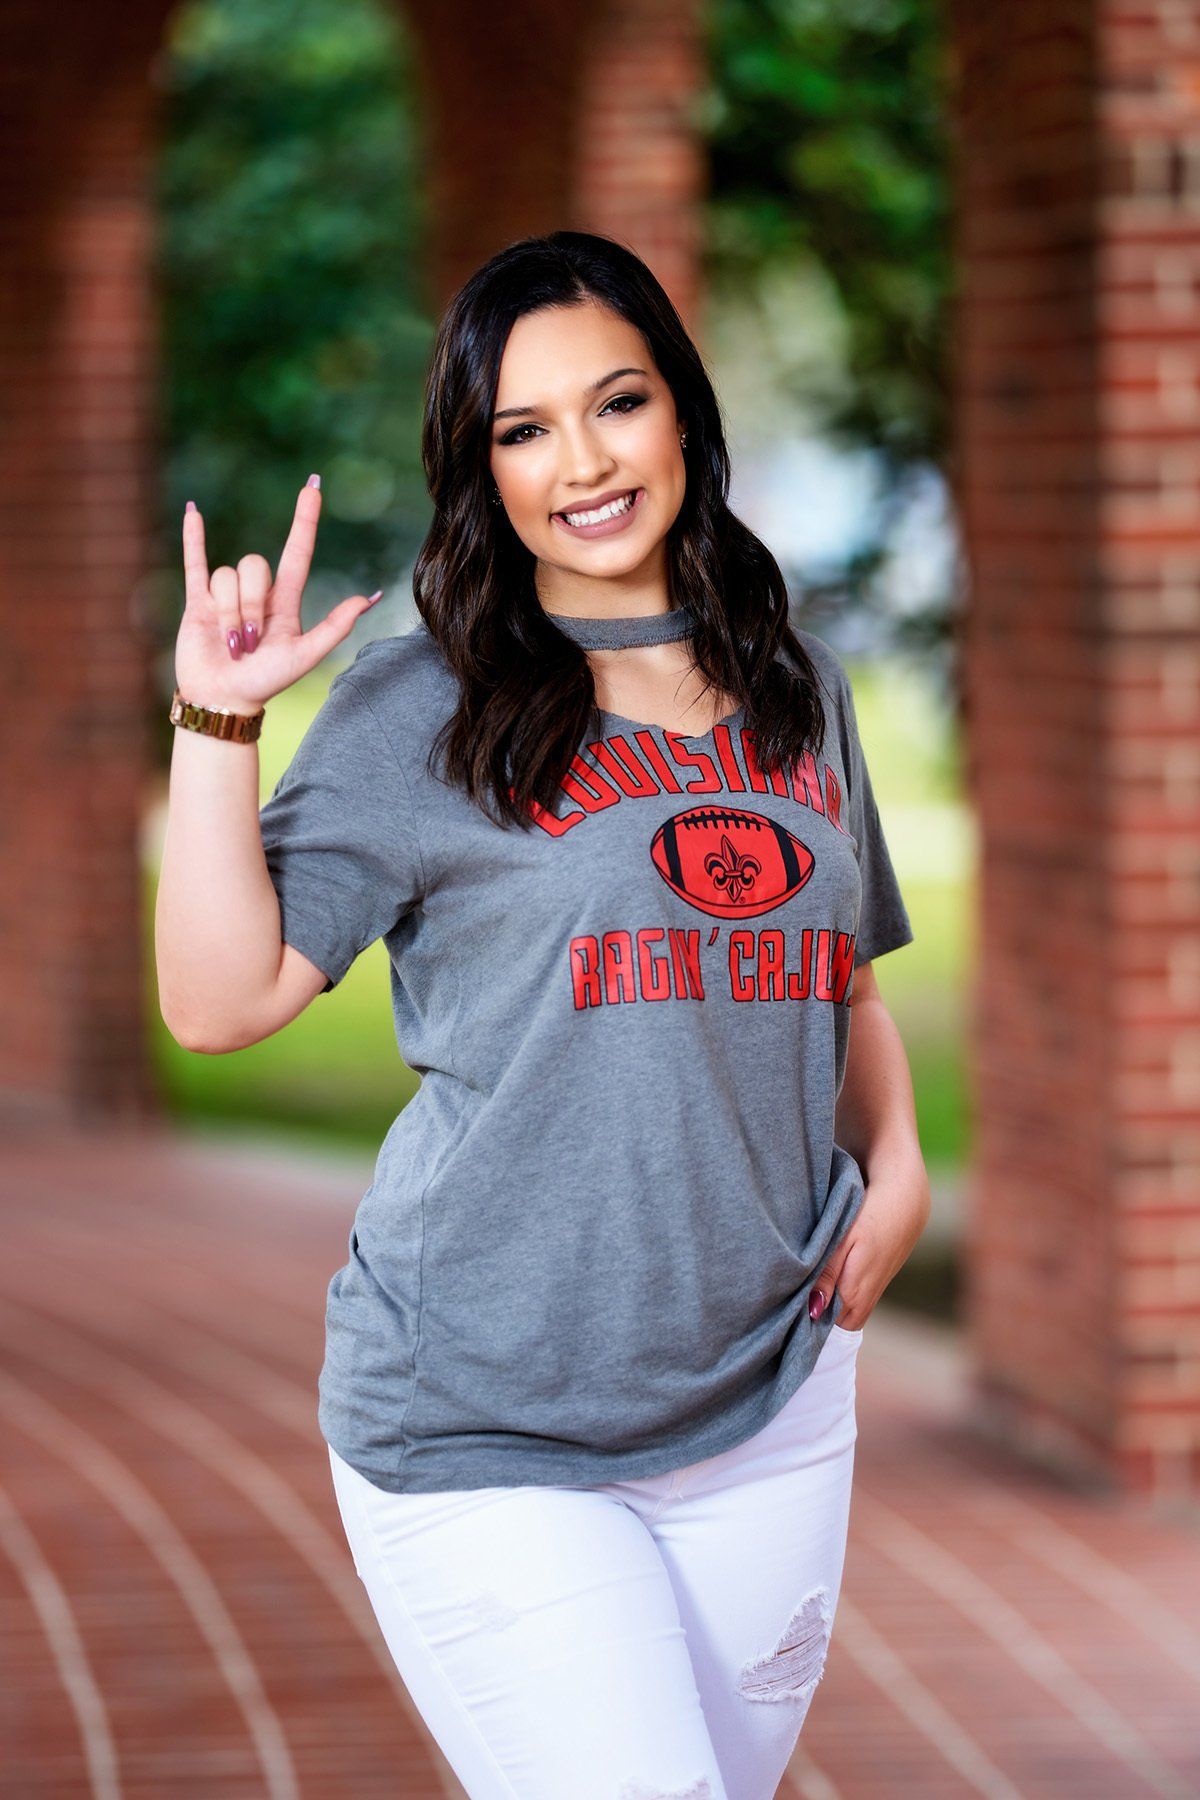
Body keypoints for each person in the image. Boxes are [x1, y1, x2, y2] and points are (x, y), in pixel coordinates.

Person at [156, 230, 929, 1800]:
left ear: (683, 420)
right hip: (487, 1416)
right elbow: (219, 1002)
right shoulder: (422, 704)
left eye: (617, 403)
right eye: (523, 428)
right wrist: (219, 720)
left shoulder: (796, 687)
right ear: (481, 467)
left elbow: (830, 971)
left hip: (770, 1399)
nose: (581, 460)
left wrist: (900, 1161)